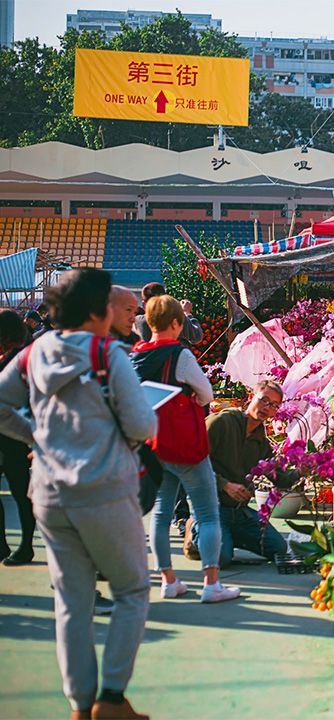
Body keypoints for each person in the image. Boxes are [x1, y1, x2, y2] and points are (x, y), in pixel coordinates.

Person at [0, 268, 157, 720]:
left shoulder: (33, 353)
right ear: (96, 310)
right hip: (105, 489)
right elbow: (143, 425)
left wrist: (36, 436)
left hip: (48, 492)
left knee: (72, 601)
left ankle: (80, 704)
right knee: (131, 590)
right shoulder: (107, 353)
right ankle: (111, 699)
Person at [130, 296, 240, 604]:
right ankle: (212, 583)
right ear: (177, 323)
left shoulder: (134, 354)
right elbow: (206, 394)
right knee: (206, 512)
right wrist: (192, 395)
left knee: (161, 513)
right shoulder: (180, 355)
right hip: (185, 445)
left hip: (154, 443)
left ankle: (169, 580)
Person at [203, 380, 289, 567]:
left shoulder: (262, 443)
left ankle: (226, 536)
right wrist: (224, 485)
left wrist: (309, 466)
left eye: (273, 405)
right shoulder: (221, 422)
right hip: (209, 507)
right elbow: (193, 461)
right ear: (251, 397)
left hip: (238, 512)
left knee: (278, 548)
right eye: (264, 400)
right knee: (221, 559)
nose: (267, 407)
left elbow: (280, 478)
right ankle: (196, 533)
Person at [0, 310, 35, 566]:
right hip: (12, 432)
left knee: (22, 492)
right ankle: (3, 545)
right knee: (21, 492)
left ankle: (26, 546)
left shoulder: (20, 358)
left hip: (16, 432)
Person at [133, 282, 203, 347]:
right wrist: (186, 313)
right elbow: (196, 336)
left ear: (144, 303)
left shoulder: (137, 322)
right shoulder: (175, 318)